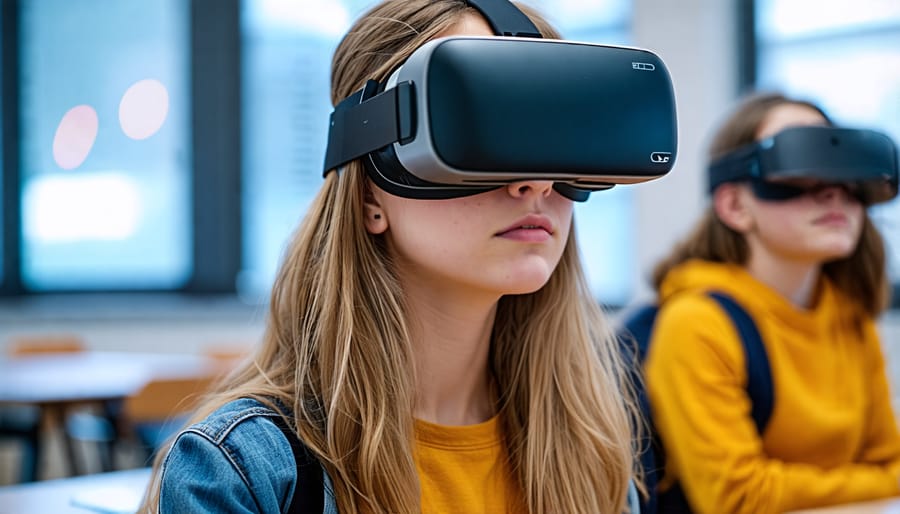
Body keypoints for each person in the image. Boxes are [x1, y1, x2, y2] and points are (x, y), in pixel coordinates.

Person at [141, 1, 644, 512]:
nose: (536, 182)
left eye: (556, 140)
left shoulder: (590, 448)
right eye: (483, 133)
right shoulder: (246, 475)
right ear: (370, 196)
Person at [644, 92, 900, 514]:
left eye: (843, 171)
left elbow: (889, 465)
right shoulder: (696, 323)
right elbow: (737, 498)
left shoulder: (849, 316)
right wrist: (872, 484)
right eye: (802, 170)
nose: (834, 193)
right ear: (734, 205)